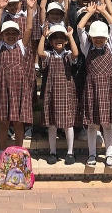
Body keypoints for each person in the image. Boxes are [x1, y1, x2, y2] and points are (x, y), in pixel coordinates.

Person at [77, 0, 112, 168]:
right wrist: (89, 13)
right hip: (92, 87)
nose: (98, 39)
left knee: (108, 124)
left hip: (108, 87)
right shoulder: (87, 47)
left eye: (101, 37)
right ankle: (92, 154)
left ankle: (109, 155)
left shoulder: (110, 45)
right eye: (95, 37)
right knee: (92, 125)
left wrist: (103, 12)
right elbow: (80, 28)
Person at [0, 0, 37, 150]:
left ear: (18, 35)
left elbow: (29, 28)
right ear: (3, 35)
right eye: (7, 33)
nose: (10, 36)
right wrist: (0, 9)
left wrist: (30, 9)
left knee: (18, 121)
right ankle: (3, 151)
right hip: (3, 86)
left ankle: (19, 151)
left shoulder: (21, 45)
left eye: (13, 33)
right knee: (3, 121)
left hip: (19, 87)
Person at [37, 24, 78, 165]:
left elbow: (76, 53)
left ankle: (70, 152)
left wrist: (70, 36)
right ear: (50, 41)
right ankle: (52, 151)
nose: (58, 40)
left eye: (61, 37)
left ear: (65, 41)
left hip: (66, 92)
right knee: (52, 124)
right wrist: (43, 36)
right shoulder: (49, 55)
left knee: (68, 123)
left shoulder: (68, 55)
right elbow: (40, 52)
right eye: (55, 38)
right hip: (52, 92)